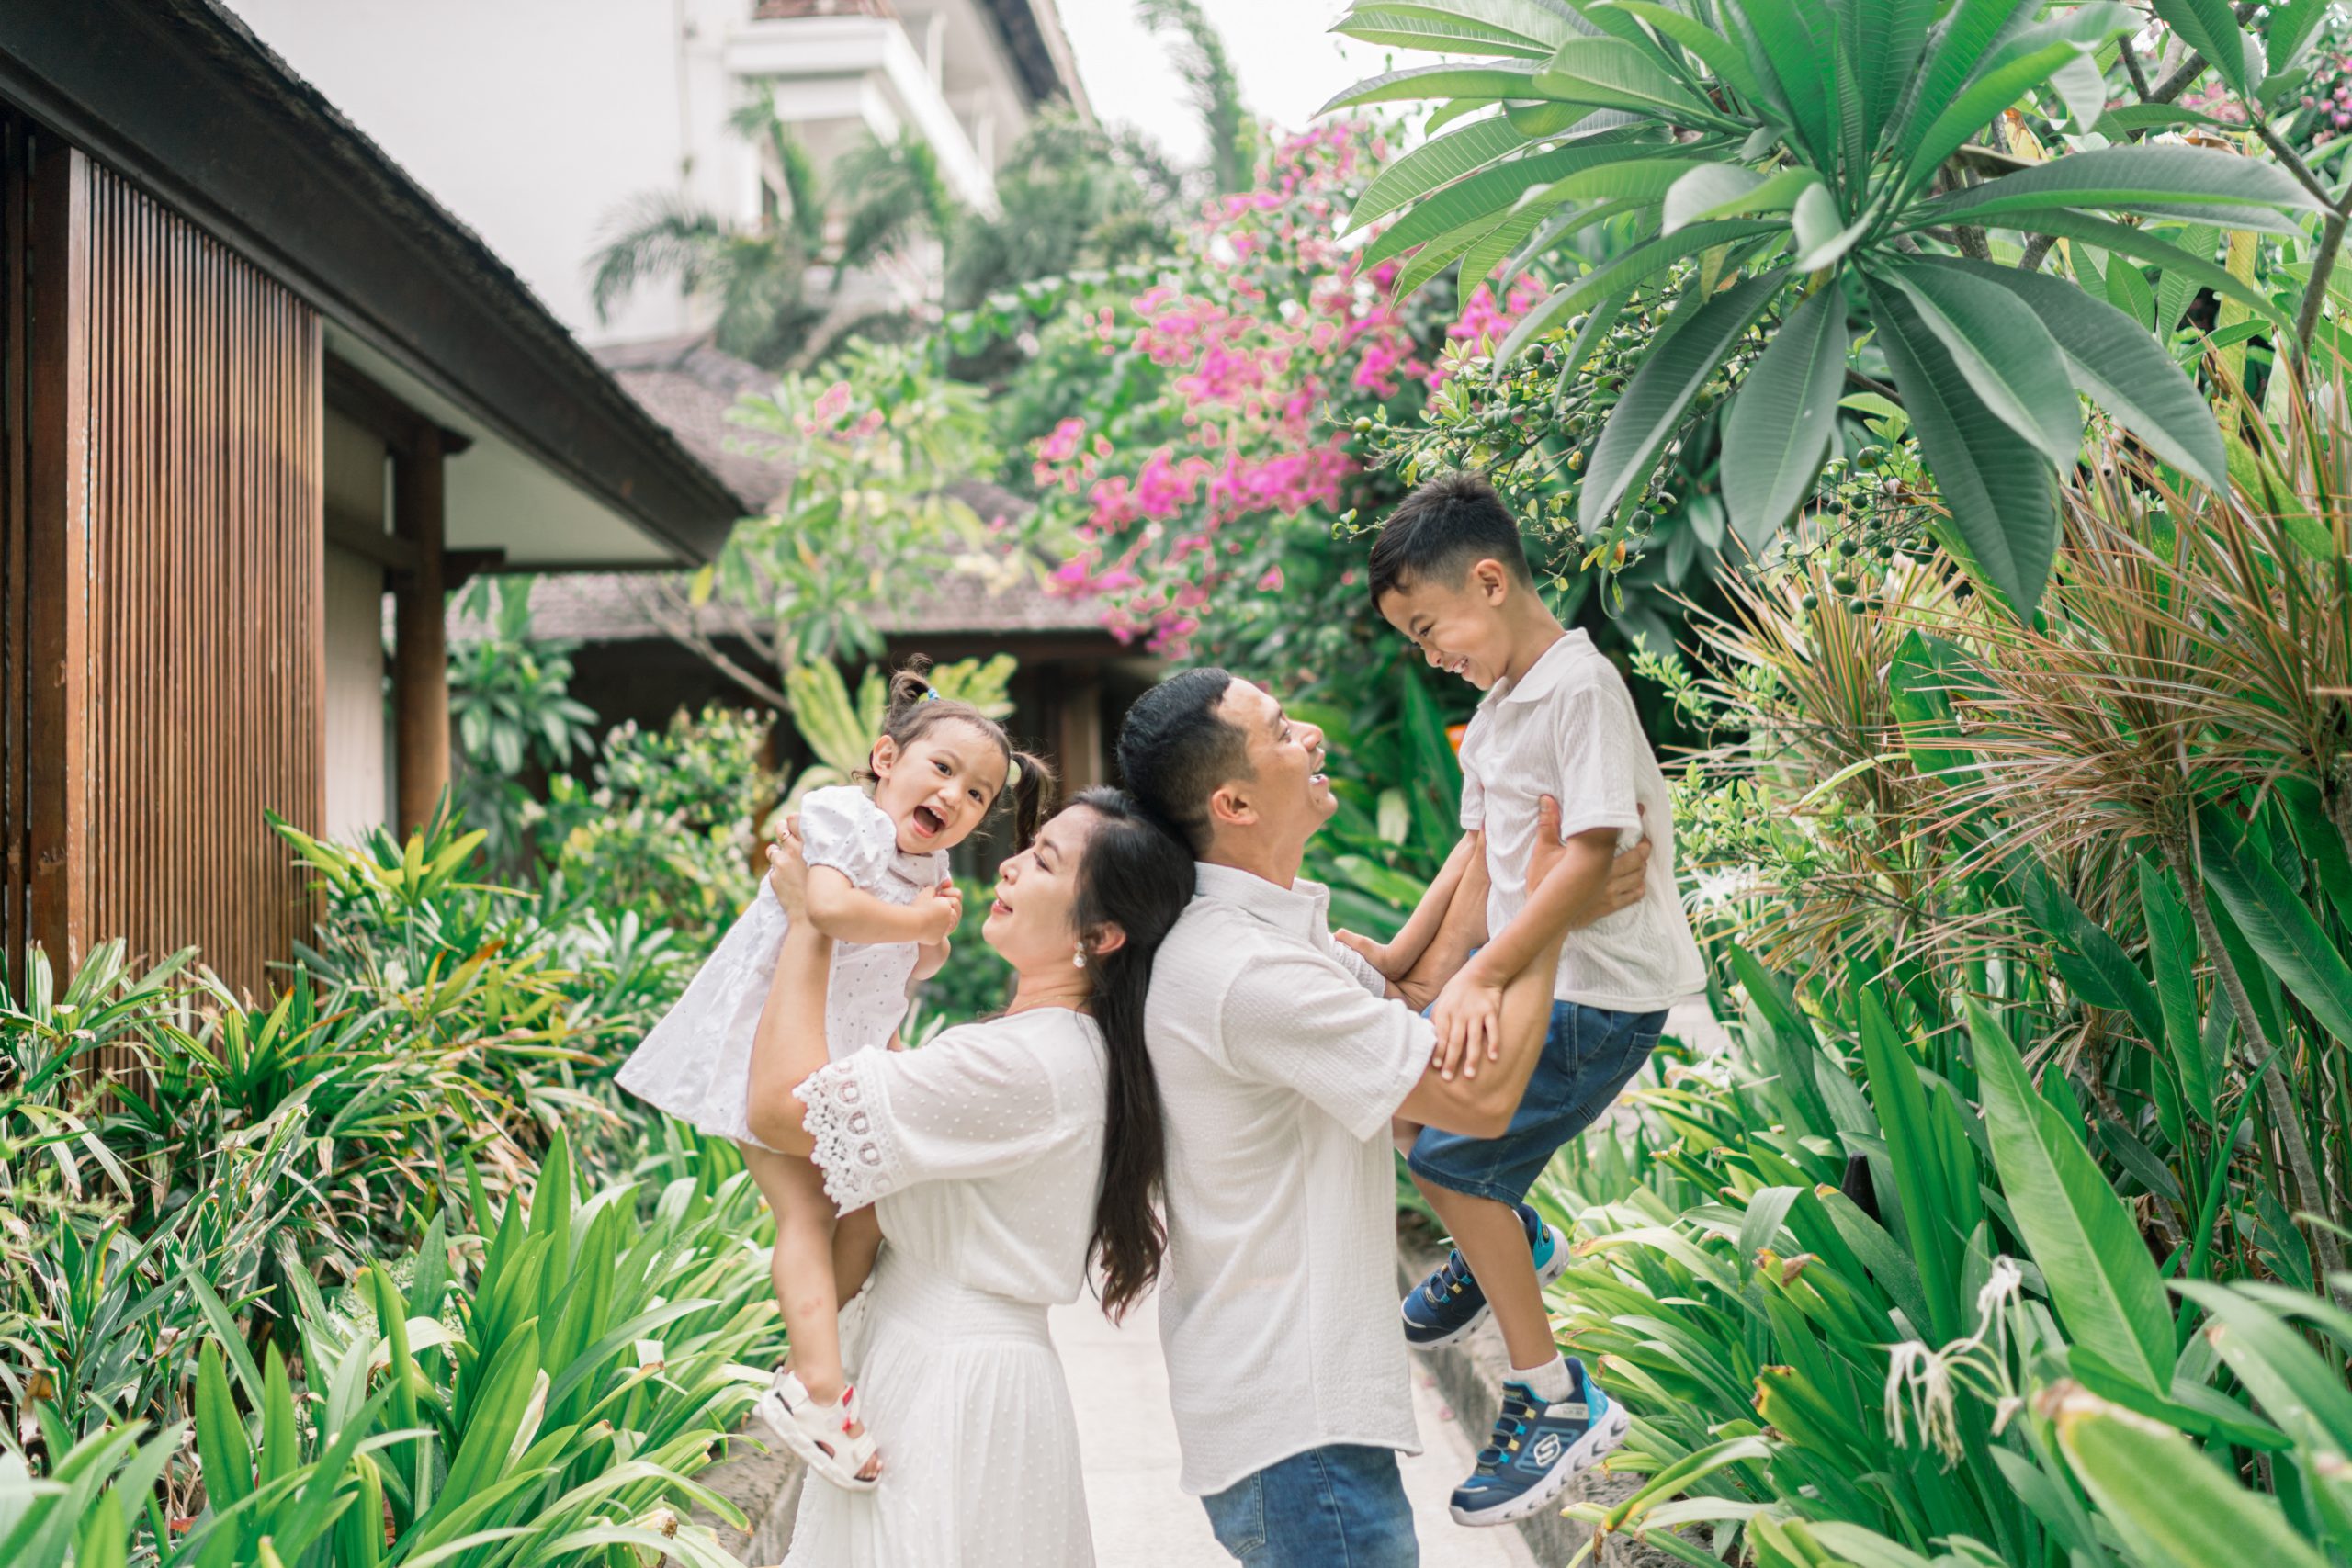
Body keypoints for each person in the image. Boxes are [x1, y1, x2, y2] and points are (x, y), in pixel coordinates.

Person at [1114, 667, 1651, 1565]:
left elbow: (1414, 995)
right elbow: (1475, 1100)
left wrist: (1503, 830)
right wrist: (1554, 912)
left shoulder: (1265, 937)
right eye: (1282, 730)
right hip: (1297, 1433)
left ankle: (1516, 1244)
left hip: (1295, 1424)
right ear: (1233, 804)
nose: (1311, 737)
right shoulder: (1246, 970)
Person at [1356, 470, 1706, 1526]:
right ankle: (1511, 1237)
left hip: (1597, 997)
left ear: (1490, 581)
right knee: (1394, 1092)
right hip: (1530, 984)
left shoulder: (1577, 688)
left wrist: (1485, 973)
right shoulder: (1503, 707)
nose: (1430, 655)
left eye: (1428, 629)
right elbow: (1479, 856)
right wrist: (1405, 957)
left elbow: (1592, 850)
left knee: (1452, 1161)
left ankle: (1554, 1398)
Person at [615, 664, 1048, 1489]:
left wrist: (933, 935)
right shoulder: (843, 818)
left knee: (867, 1210)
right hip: (768, 1044)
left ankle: (808, 1368)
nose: (955, 797)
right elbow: (829, 910)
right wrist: (918, 919)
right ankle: (818, 1389)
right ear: (885, 759)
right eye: (943, 769)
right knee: (807, 1212)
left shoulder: (928, 866)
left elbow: (915, 962)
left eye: (978, 794)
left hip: (838, 1049)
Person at [756, 785, 1194, 1567]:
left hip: (946, 1380)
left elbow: (780, 1108)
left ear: (1099, 935)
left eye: (1045, 862)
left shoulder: (1023, 1062)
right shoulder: (1061, 1046)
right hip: (958, 1367)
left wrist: (811, 920)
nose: (1011, 866)